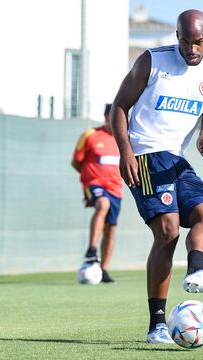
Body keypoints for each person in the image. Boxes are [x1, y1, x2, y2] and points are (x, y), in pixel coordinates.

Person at [110, 9, 203, 343]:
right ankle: (157, 324)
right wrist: (125, 150)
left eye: (198, 42)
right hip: (145, 153)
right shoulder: (151, 61)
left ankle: (198, 272)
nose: (192, 49)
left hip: (176, 157)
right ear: (177, 36)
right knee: (168, 232)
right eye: (185, 41)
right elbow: (119, 108)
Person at [72, 103, 123, 284]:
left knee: (111, 229)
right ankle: (92, 249)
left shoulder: (124, 138)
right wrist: (88, 181)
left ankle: (103, 270)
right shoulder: (90, 135)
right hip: (94, 184)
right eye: (112, 118)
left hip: (116, 188)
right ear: (106, 117)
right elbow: (76, 162)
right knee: (103, 204)